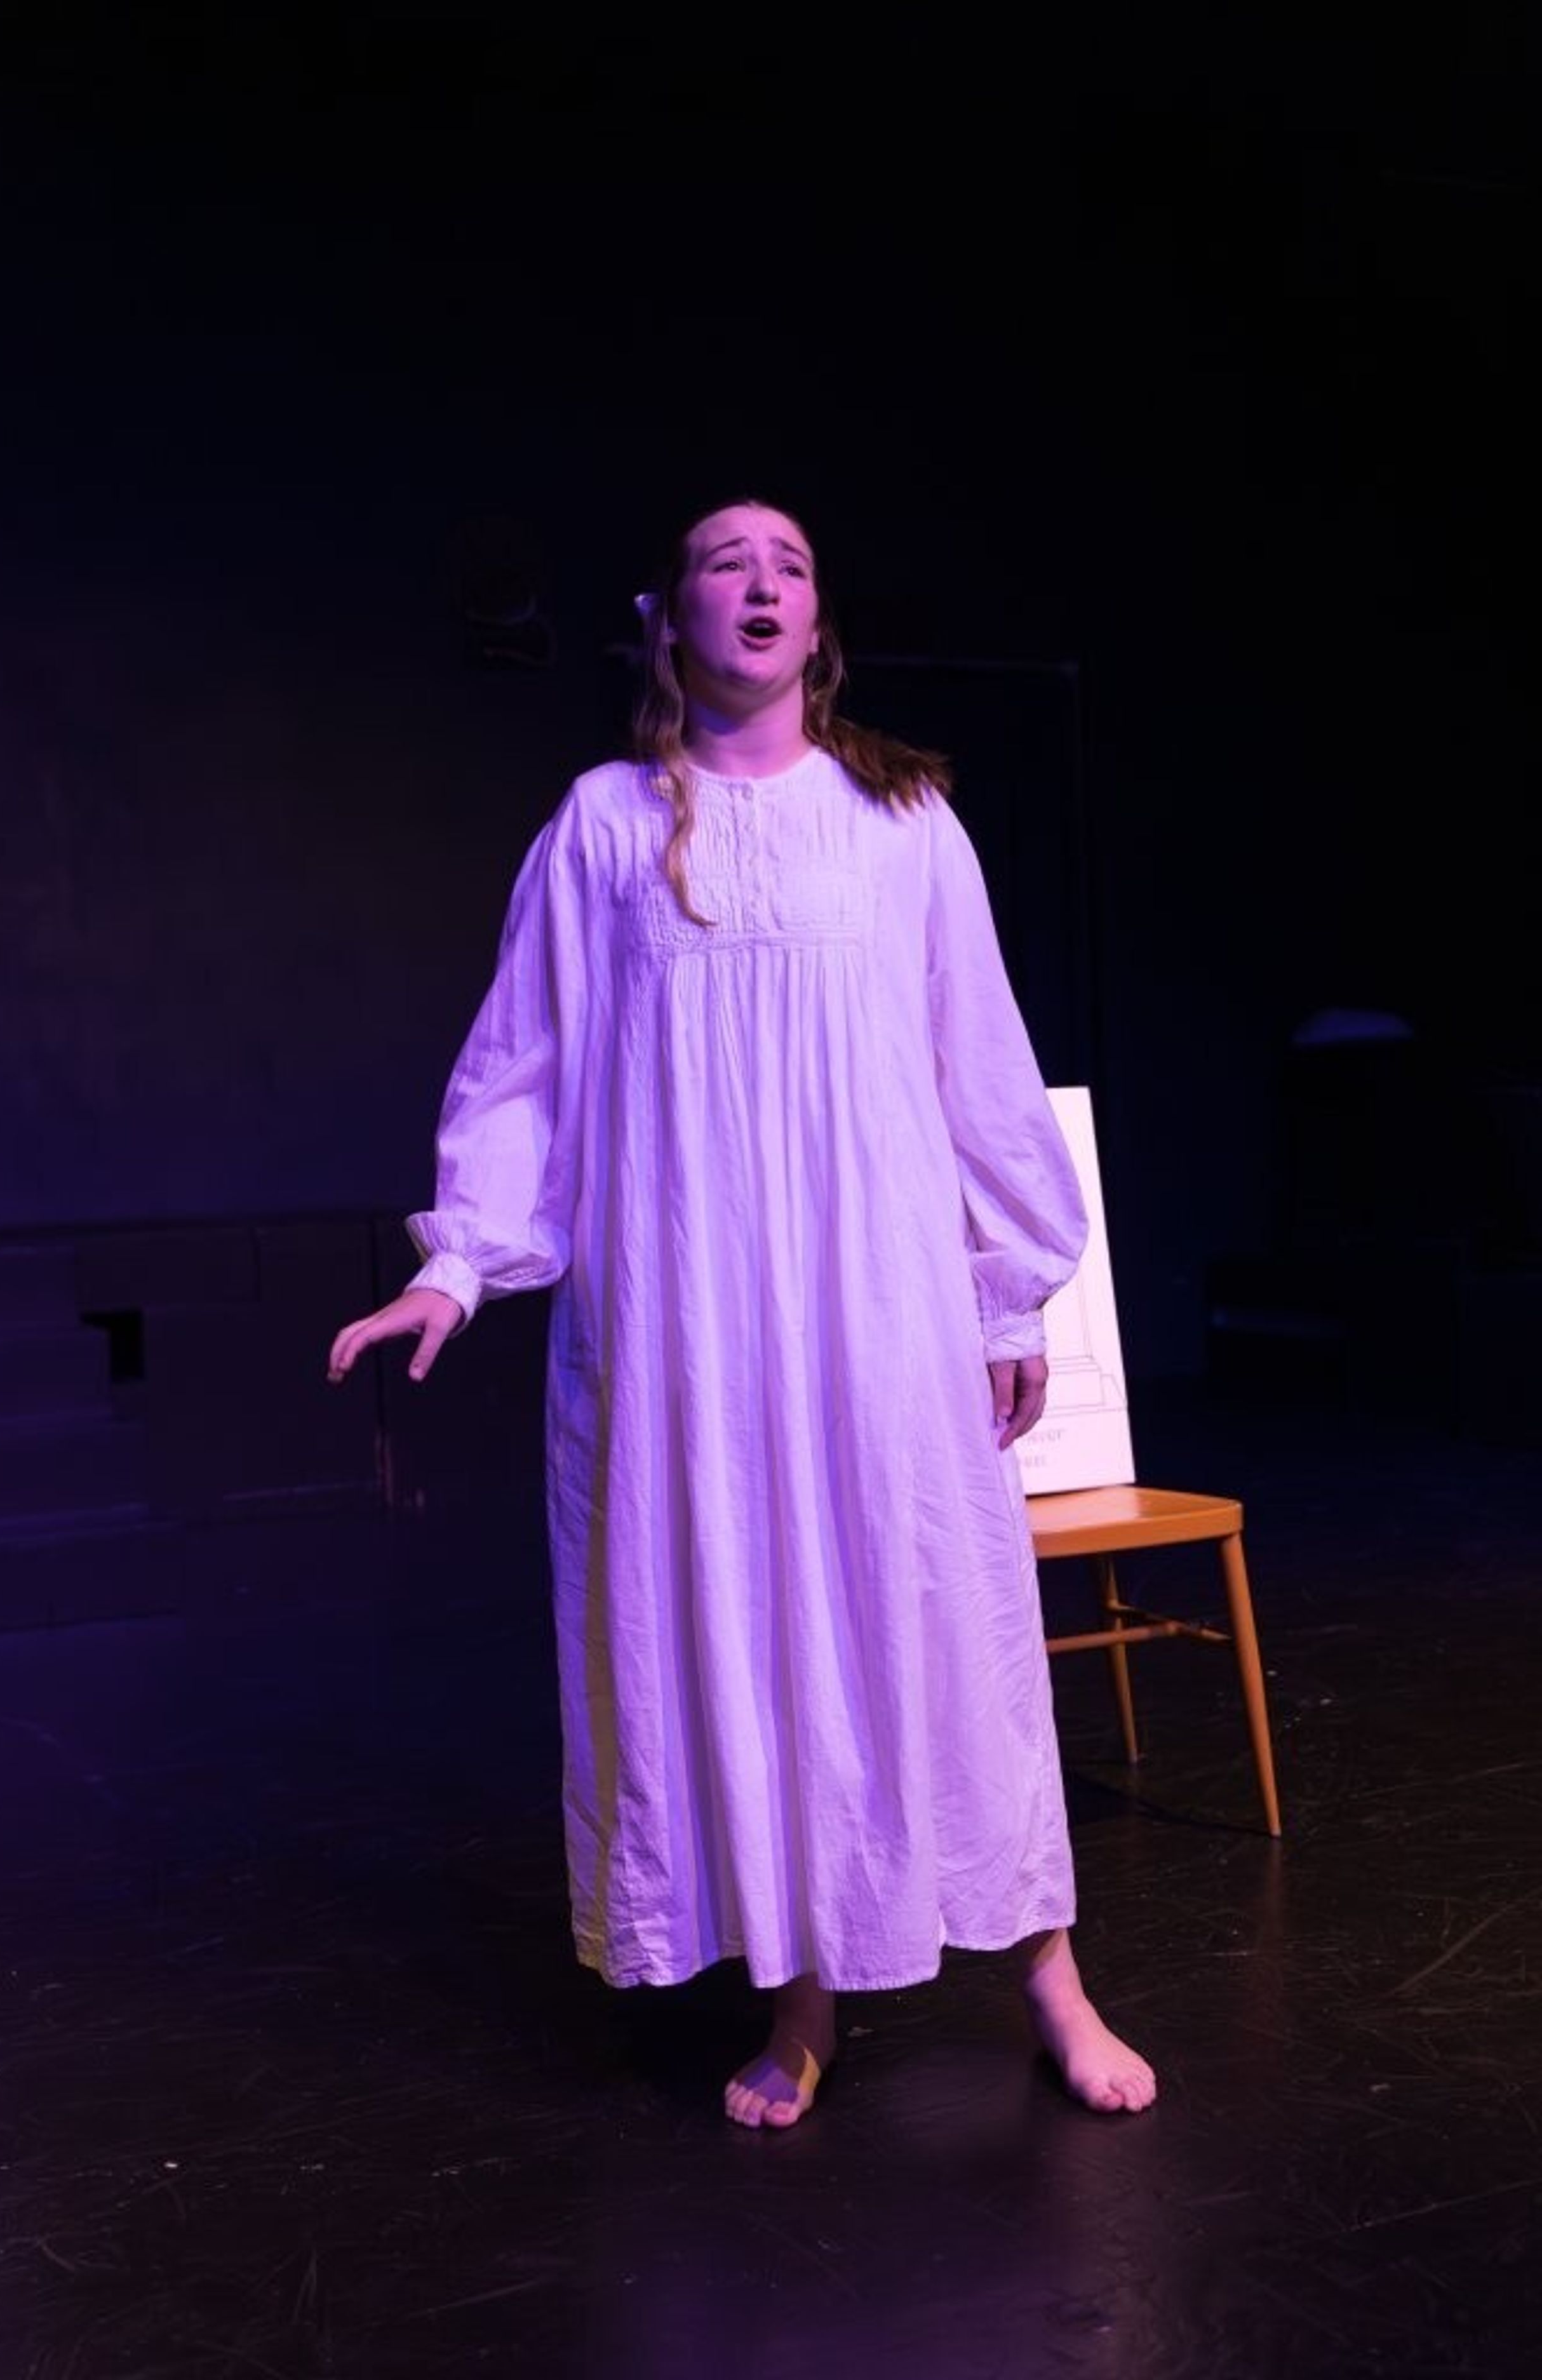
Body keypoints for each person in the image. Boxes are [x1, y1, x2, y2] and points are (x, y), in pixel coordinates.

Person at [327, 495, 1157, 2129]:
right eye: (725, 561)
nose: (760, 581)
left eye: (789, 564)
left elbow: (975, 1058)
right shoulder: (601, 825)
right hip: (691, 1326)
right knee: (742, 1632)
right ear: (669, 621)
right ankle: (801, 1992)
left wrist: (1005, 1295)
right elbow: (524, 1067)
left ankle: (1050, 1976)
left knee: (940, 1624)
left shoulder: (902, 817)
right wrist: (454, 1264)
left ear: (816, 624)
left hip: (877, 1306)